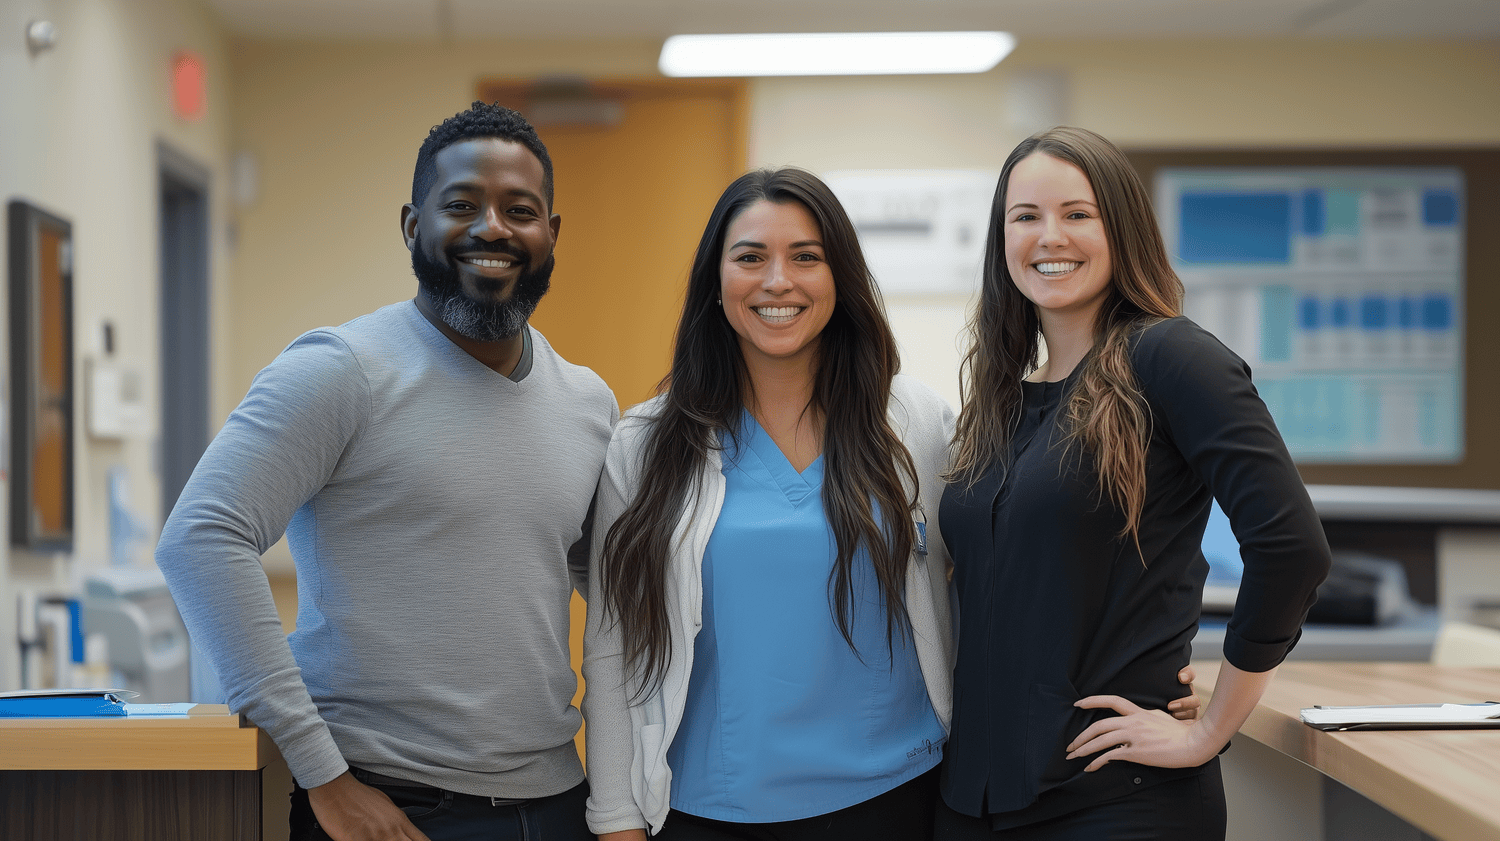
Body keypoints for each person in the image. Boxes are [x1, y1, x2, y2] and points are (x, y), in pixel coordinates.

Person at [156, 102, 616, 841]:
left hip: (558, 798)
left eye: (519, 209)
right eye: (462, 204)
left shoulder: (588, 402)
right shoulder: (340, 371)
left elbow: (620, 589)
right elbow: (203, 538)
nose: (492, 227)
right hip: (388, 805)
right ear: (412, 226)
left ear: (550, 234)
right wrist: (325, 777)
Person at [935, 126, 1332, 840]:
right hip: (975, 798)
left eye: (1077, 213)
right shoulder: (999, 400)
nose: (1049, 235)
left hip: (1116, 801)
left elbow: (1291, 544)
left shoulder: (1171, 357)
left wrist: (1212, 727)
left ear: (1120, 227)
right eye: (1025, 217)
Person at [580, 168, 957, 841]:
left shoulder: (914, 421)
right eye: (750, 257)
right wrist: (614, 819)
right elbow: (614, 641)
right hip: (713, 811)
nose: (777, 280)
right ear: (715, 281)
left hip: (899, 799)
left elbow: (1001, 575)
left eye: (805, 257)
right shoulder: (647, 444)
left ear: (840, 277)